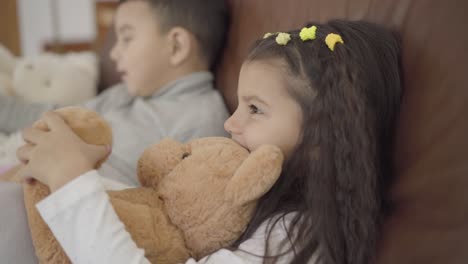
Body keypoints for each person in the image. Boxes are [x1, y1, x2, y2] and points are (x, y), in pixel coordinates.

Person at [16, 20, 403, 263]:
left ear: (322, 136)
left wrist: (73, 180)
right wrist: (93, 180)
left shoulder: (295, 239)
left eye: (255, 109)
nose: (229, 123)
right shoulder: (257, 206)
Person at [0, 0, 230, 186]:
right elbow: (55, 116)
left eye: (127, 38)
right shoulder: (123, 94)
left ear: (176, 46)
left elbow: (178, 207)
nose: (113, 53)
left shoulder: (203, 120)